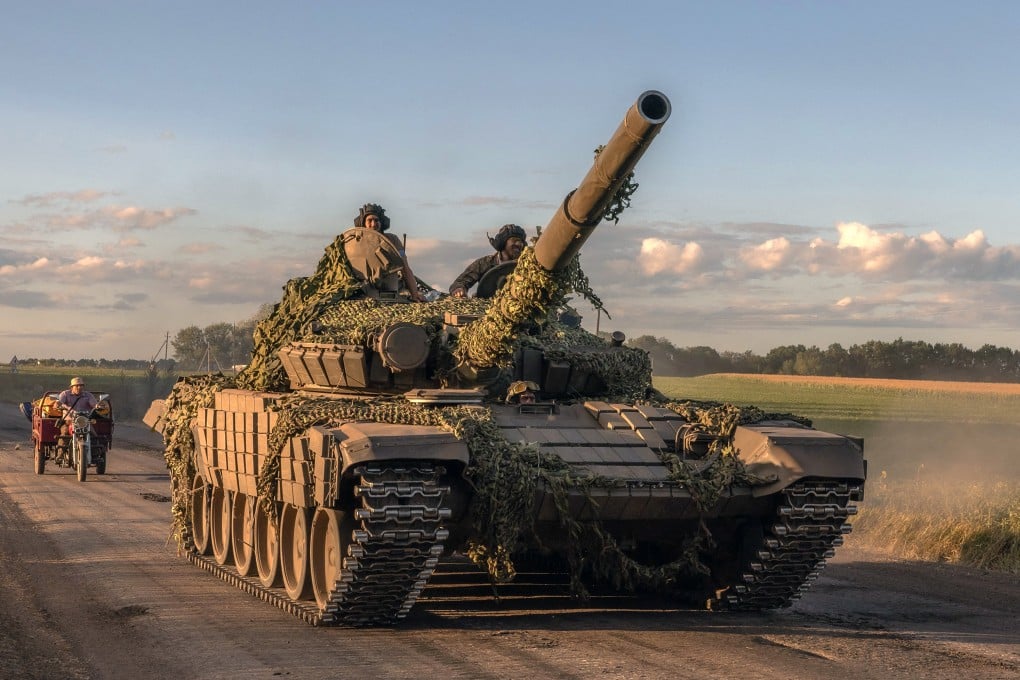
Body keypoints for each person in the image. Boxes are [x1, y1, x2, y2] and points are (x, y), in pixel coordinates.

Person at [354, 203, 426, 302]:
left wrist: (414, 294)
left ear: (382, 222)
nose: (373, 224)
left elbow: (405, 268)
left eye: (376, 220)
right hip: (363, 294)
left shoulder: (392, 240)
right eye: (369, 220)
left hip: (389, 293)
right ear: (363, 223)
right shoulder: (355, 243)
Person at [449, 224, 527, 298]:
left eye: (521, 242)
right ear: (502, 243)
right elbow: (462, 281)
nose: (519, 244)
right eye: (514, 240)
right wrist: (459, 289)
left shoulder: (526, 266)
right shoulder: (486, 263)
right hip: (487, 306)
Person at [56, 377, 98, 456]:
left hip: (84, 421)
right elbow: (58, 402)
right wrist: (58, 404)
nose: (79, 387)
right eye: (77, 386)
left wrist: (97, 406)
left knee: (93, 435)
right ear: (72, 387)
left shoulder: (88, 395)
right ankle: (60, 455)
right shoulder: (65, 394)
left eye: (81, 385)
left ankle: (96, 454)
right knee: (65, 434)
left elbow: (94, 404)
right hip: (69, 421)